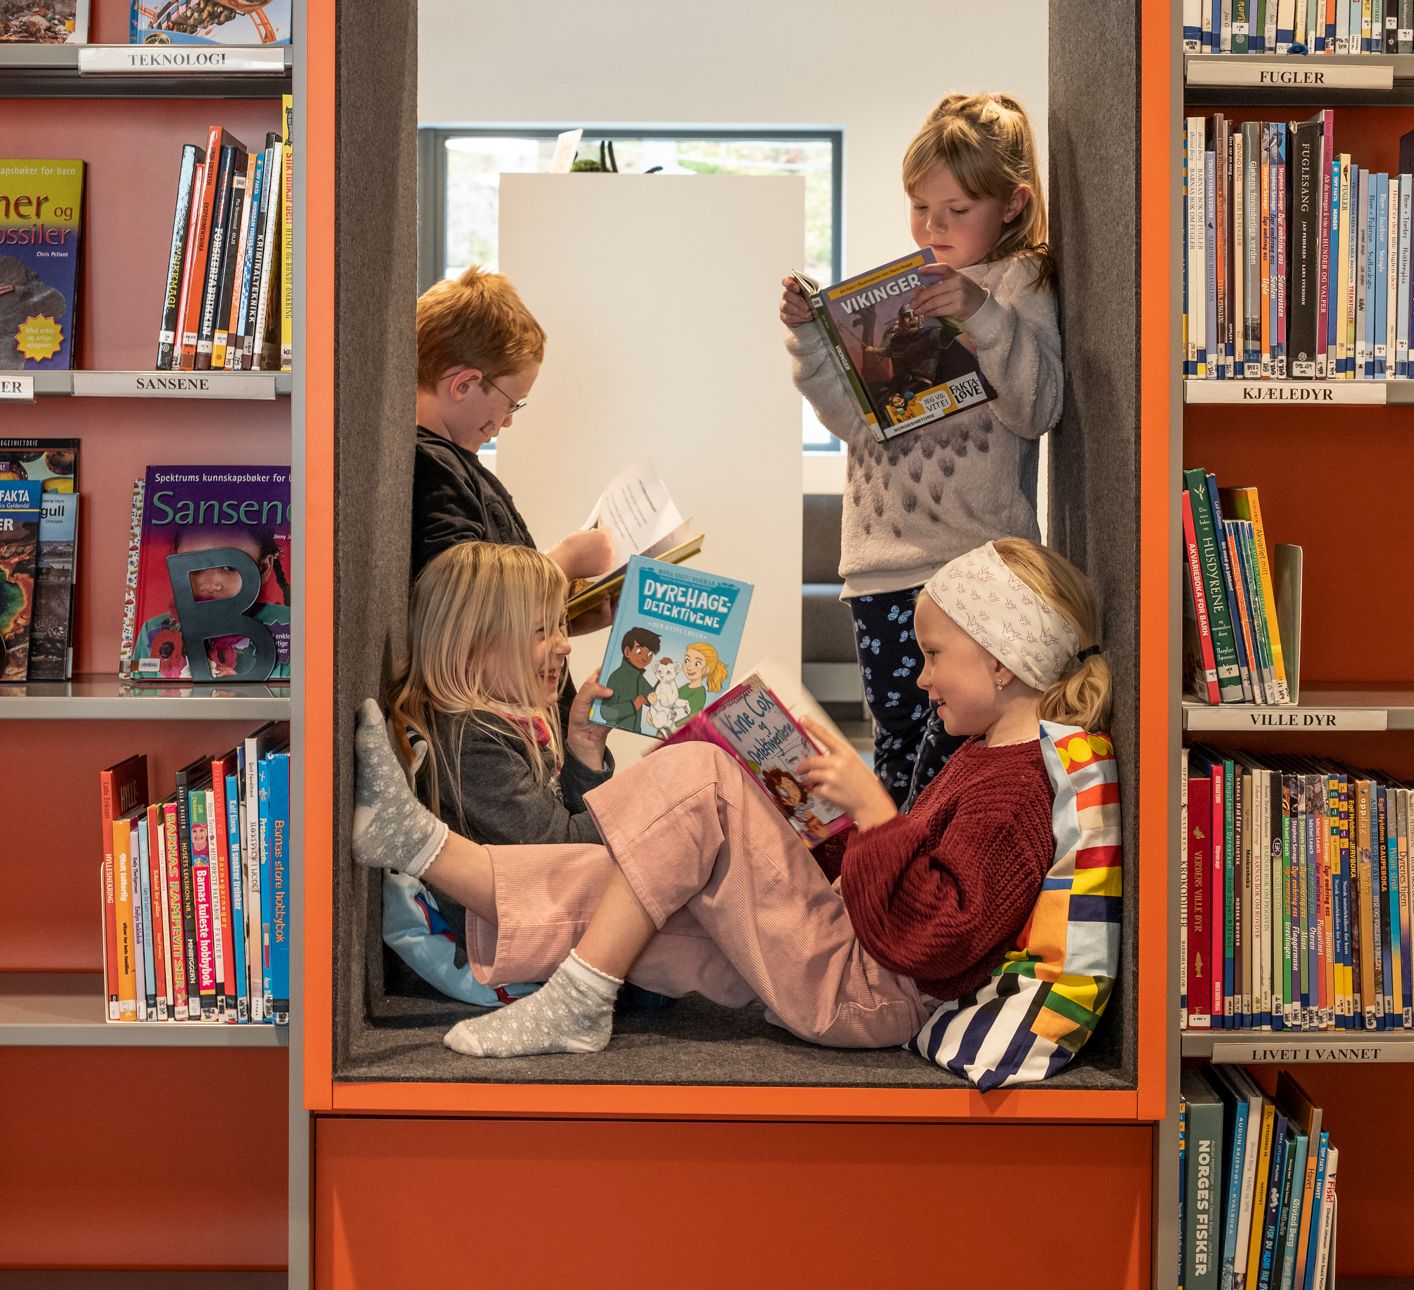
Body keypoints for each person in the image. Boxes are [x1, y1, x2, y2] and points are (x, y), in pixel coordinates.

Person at [350, 537, 1111, 1061]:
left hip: (872, 992)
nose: (920, 678)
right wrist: (829, 823)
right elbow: (914, 888)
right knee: (627, 888)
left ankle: (579, 999)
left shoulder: (1013, 789)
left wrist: (876, 818)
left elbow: (938, 935)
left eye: (936, 656)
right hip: (854, 961)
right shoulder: (990, 759)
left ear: (1004, 664)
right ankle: (416, 846)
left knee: (705, 783)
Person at [779, 92, 1062, 810]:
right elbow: (855, 421)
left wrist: (979, 313)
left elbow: (1039, 408)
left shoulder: (1017, 283)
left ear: (1013, 205)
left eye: (954, 210)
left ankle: (943, 896)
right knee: (898, 746)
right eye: (919, 208)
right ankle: (896, 892)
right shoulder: (904, 293)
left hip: (968, 568)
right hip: (877, 566)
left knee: (959, 759)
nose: (931, 226)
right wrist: (814, 339)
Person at [382, 540, 615, 980]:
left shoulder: (499, 722)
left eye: (562, 625)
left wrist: (584, 747)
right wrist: (646, 801)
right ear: (473, 647)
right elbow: (561, 852)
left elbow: (561, 837)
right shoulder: (472, 738)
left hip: (544, 918)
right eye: (542, 631)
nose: (565, 646)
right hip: (505, 948)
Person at [411, 265, 614, 593]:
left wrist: (565, 609)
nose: (508, 420)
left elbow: (496, 609)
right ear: (464, 385)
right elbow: (458, 597)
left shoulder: (454, 464)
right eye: (511, 403)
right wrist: (563, 563)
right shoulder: (432, 467)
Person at [131, 523, 291, 680]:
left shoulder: (291, 627)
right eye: (194, 566)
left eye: (229, 567)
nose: (209, 585)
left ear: (263, 568)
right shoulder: (153, 633)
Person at [677, 641, 729, 716]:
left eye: (697, 663)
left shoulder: (699, 693)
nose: (689, 667)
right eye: (687, 661)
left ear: (706, 669)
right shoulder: (685, 687)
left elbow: (689, 717)